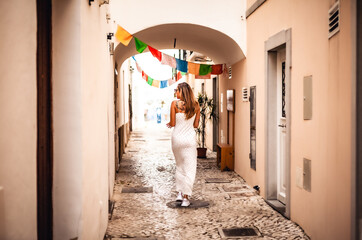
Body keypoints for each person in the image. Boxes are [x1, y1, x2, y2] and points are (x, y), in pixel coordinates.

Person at [166, 82, 200, 207]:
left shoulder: (174, 104)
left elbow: (173, 123)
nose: (176, 93)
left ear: (182, 91)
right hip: (189, 140)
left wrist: (170, 122)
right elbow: (196, 125)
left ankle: (179, 194)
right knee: (190, 168)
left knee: (179, 166)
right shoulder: (196, 105)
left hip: (177, 139)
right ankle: (186, 198)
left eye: (177, 90)